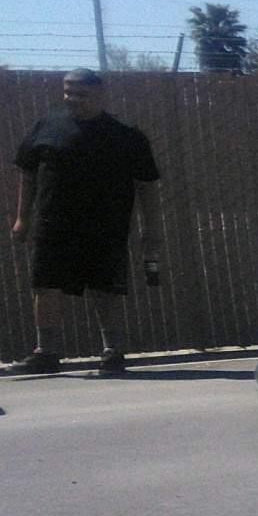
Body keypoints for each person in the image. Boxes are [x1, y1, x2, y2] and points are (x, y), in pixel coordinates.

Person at [10, 67, 164, 377]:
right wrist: (21, 218)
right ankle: (46, 352)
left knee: (105, 289)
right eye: (68, 92)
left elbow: (146, 184)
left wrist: (151, 229)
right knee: (46, 285)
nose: (73, 99)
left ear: (99, 94)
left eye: (81, 93)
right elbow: (27, 172)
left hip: (105, 227)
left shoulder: (126, 134)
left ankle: (113, 352)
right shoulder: (48, 126)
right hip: (54, 223)